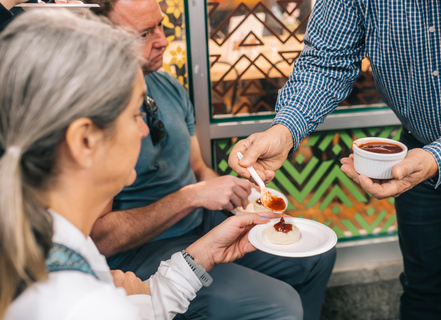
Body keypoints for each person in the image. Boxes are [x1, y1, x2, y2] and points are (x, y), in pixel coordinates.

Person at [0, 10, 278, 320]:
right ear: (85, 141)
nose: (144, 129)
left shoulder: (56, 243)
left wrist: (206, 253)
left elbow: (143, 310)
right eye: (135, 114)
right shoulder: (83, 304)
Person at [228, 1, 441, 319]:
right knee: (423, 288)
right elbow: (327, 64)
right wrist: (287, 129)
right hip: (417, 151)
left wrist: (440, 156)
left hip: (436, 154)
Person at [84, 0, 336, 318]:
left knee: (315, 256)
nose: (162, 40)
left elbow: (199, 168)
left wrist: (237, 190)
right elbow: (99, 239)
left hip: (201, 224)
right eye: (145, 33)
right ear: (101, 36)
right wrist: (191, 197)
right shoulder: (95, 107)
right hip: (142, 250)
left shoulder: (171, 87)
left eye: (160, 25)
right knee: (280, 303)